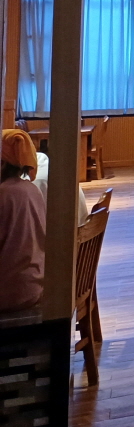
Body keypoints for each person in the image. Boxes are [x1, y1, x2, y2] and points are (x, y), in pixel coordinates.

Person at [0, 129, 47, 312]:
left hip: (10, 293)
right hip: (35, 284)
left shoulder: (4, 194)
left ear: (2, 163)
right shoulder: (32, 189)